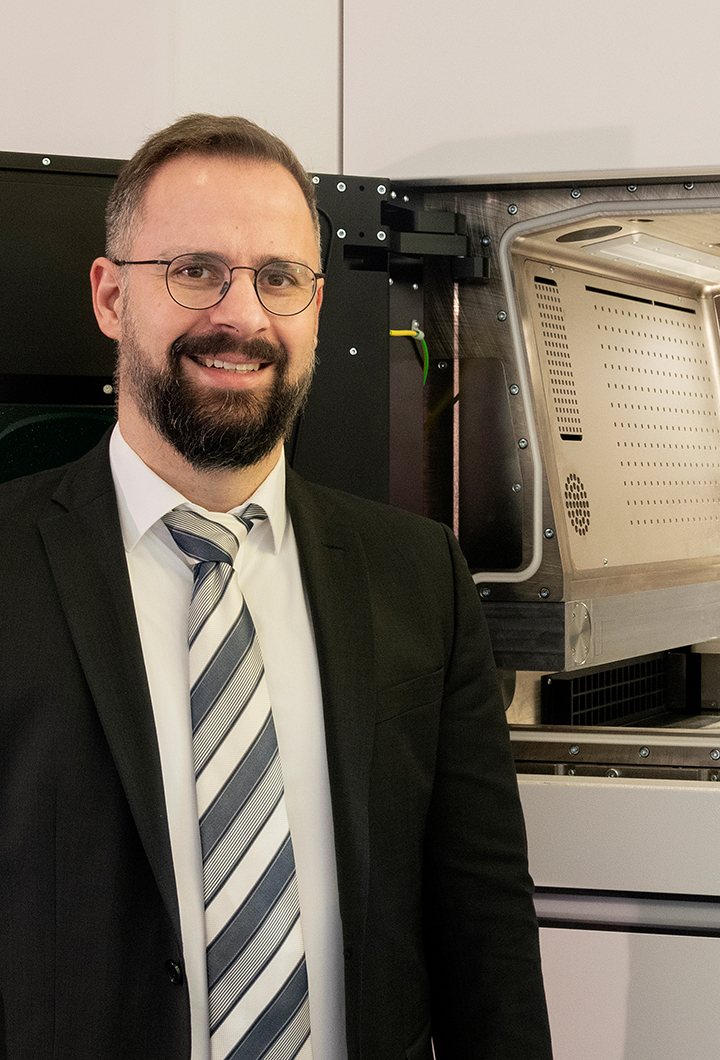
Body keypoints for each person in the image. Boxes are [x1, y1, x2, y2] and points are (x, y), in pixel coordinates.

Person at [0, 114, 552, 1060]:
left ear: (317, 305)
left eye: (279, 278)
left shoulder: (419, 577)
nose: (243, 317)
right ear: (108, 296)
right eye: (194, 270)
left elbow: (485, 933)